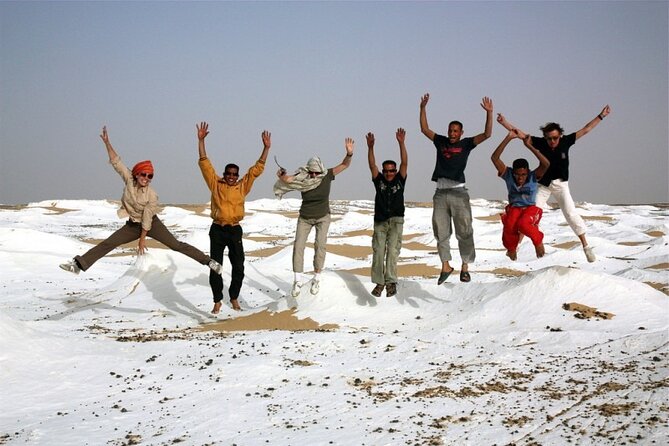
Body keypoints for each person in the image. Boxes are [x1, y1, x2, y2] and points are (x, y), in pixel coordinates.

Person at [60, 126, 222, 278]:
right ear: (137, 174)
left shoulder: (152, 195)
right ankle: (79, 265)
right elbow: (116, 162)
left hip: (151, 223)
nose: (146, 178)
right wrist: (107, 143)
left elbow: (147, 219)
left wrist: (142, 240)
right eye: (143, 175)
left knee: (176, 245)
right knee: (109, 243)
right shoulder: (129, 179)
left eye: (150, 176)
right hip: (133, 225)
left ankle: (208, 261)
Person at [496, 105, 610, 262]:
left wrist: (601, 116)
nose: (552, 141)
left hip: (561, 185)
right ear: (545, 137)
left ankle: (585, 246)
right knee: (527, 213)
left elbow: (586, 129)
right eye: (549, 138)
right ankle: (515, 247)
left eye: (555, 138)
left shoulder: (566, 141)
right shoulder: (541, 143)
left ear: (560, 136)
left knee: (570, 213)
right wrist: (504, 123)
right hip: (542, 186)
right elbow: (520, 134)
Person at [197, 122, 270, 314]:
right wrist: (201, 140)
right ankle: (217, 300)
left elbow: (256, 169)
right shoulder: (216, 184)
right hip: (218, 230)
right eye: (228, 174)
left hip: (234, 229)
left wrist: (266, 148)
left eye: (234, 174)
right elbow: (205, 164)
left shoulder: (242, 186)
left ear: (237, 176)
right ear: (224, 174)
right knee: (215, 267)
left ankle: (234, 297)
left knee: (239, 266)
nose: (231, 176)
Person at [419, 93, 493, 284]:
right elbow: (425, 129)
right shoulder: (440, 141)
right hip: (440, 193)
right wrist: (423, 108)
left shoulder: (467, 144)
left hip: (459, 192)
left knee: (464, 231)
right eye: (450, 131)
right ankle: (445, 265)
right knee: (441, 231)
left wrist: (489, 113)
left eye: (455, 131)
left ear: (461, 133)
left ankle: (465, 267)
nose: (452, 134)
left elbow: (487, 135)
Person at [273, 138, 354, 297]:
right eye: (312, 172)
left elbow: (344, 165)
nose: (315, 175)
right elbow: (287, 179)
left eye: (317, 172)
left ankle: (317, 277)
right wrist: (281, 175)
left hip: (323, 216)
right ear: (308, 171)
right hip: (305, 217)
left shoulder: (327, 175)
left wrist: (349, 153)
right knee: (298, 246)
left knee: (320, 245)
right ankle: (297, 280)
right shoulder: (302, 178)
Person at [491, 129, 550, 260]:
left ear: (527, 172)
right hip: (515, 208)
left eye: (523, 174)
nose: (520, 177)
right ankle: (511, 249)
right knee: (510, 227)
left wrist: (529, 146)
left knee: (523, 224)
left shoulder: (533, 176)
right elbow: (494, 158)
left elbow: (546, 164)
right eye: (517, 174)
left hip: (530, 209)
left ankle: (538, 241)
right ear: (513, 173)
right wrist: (508, 138)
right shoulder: (508, 175)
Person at [366, 129, 408, 297]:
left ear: (395, 171)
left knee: (392, 252)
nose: (389, 173)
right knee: (378, 251)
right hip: (381, 221)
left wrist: (401, 143)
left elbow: (405, 163)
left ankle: (391, 282)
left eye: (392, 170)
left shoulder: (400, 179)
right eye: (386, 171)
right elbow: (372, 165)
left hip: (396, 220)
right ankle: (379, 282)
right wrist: (370, 148)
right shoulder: (379, 181)